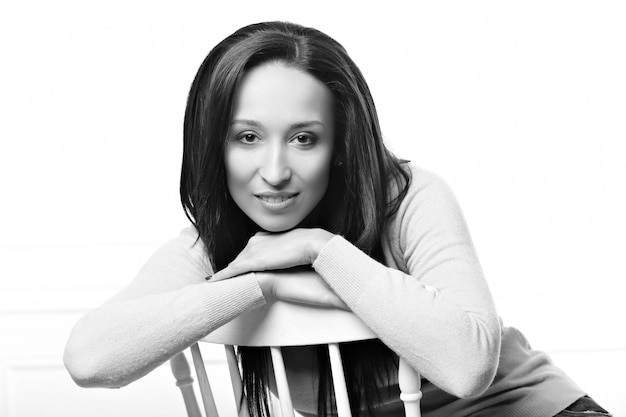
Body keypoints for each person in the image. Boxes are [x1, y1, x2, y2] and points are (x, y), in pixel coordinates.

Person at [63, 21, 612, 417]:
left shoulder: (409, 197)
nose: (274, 171)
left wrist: (321, 252)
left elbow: (467, 367)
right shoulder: (210, 250)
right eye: (247, 137)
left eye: (304, 138)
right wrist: (262, 282)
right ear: (214, 146)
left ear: (341, 144)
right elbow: (90, 359)